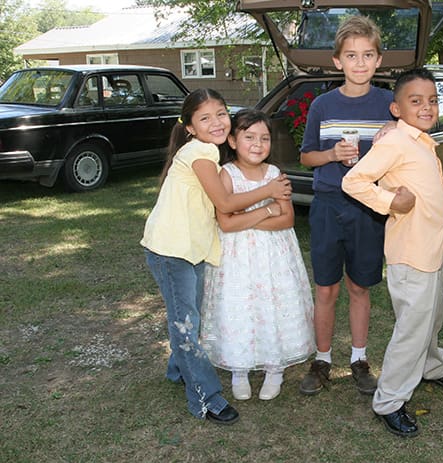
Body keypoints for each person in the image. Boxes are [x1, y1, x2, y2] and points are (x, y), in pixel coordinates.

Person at [141, 89, 292, 423]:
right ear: (190, 127)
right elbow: (225, 204)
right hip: (170, 249)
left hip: (191, 248)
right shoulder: (199, 152)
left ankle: (177, 370)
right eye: (205, 117)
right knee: (185, 324)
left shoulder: (207, 151)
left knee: (186, 316)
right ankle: (206, 399)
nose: (217, 122)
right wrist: (269, 193)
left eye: (221, 113)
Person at [342, 68, 443, 437]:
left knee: (432, 318)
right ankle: (390, 400)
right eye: (416, 101)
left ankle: (432, 367)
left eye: (432, 100)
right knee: (412, 328)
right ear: (397, 108)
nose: (427, 107)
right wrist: (391, 201)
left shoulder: (420, 141)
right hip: (410, 254)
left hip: (431, 250)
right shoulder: (396, 141)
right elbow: (354, 181)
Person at [298, 15, 394, 396]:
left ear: (378, 60)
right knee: (325, 289)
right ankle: (322, 360)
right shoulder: (322, 105)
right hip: (327, 205)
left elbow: (410, 145)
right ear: (337, 61)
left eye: (367, 55)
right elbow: (306, 157)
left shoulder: (390, 104)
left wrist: (394, 133)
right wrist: (331, 154)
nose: (359, 63)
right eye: (351, 56)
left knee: (359, 286)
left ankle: (359, 359)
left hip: (368, 209)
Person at [199, 109, 315, 401]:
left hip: (274, 255)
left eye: (264, 138)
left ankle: (274, 367)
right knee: (239, 307)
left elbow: (287, 219)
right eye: (249, 137)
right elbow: (226, 220)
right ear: (233, 140)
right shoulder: (226, 174)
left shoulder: (275, 174)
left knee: (271, 304)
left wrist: (246, 216)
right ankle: (240, 368)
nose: (258, 144)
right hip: (236, 259)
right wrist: (266, 208)